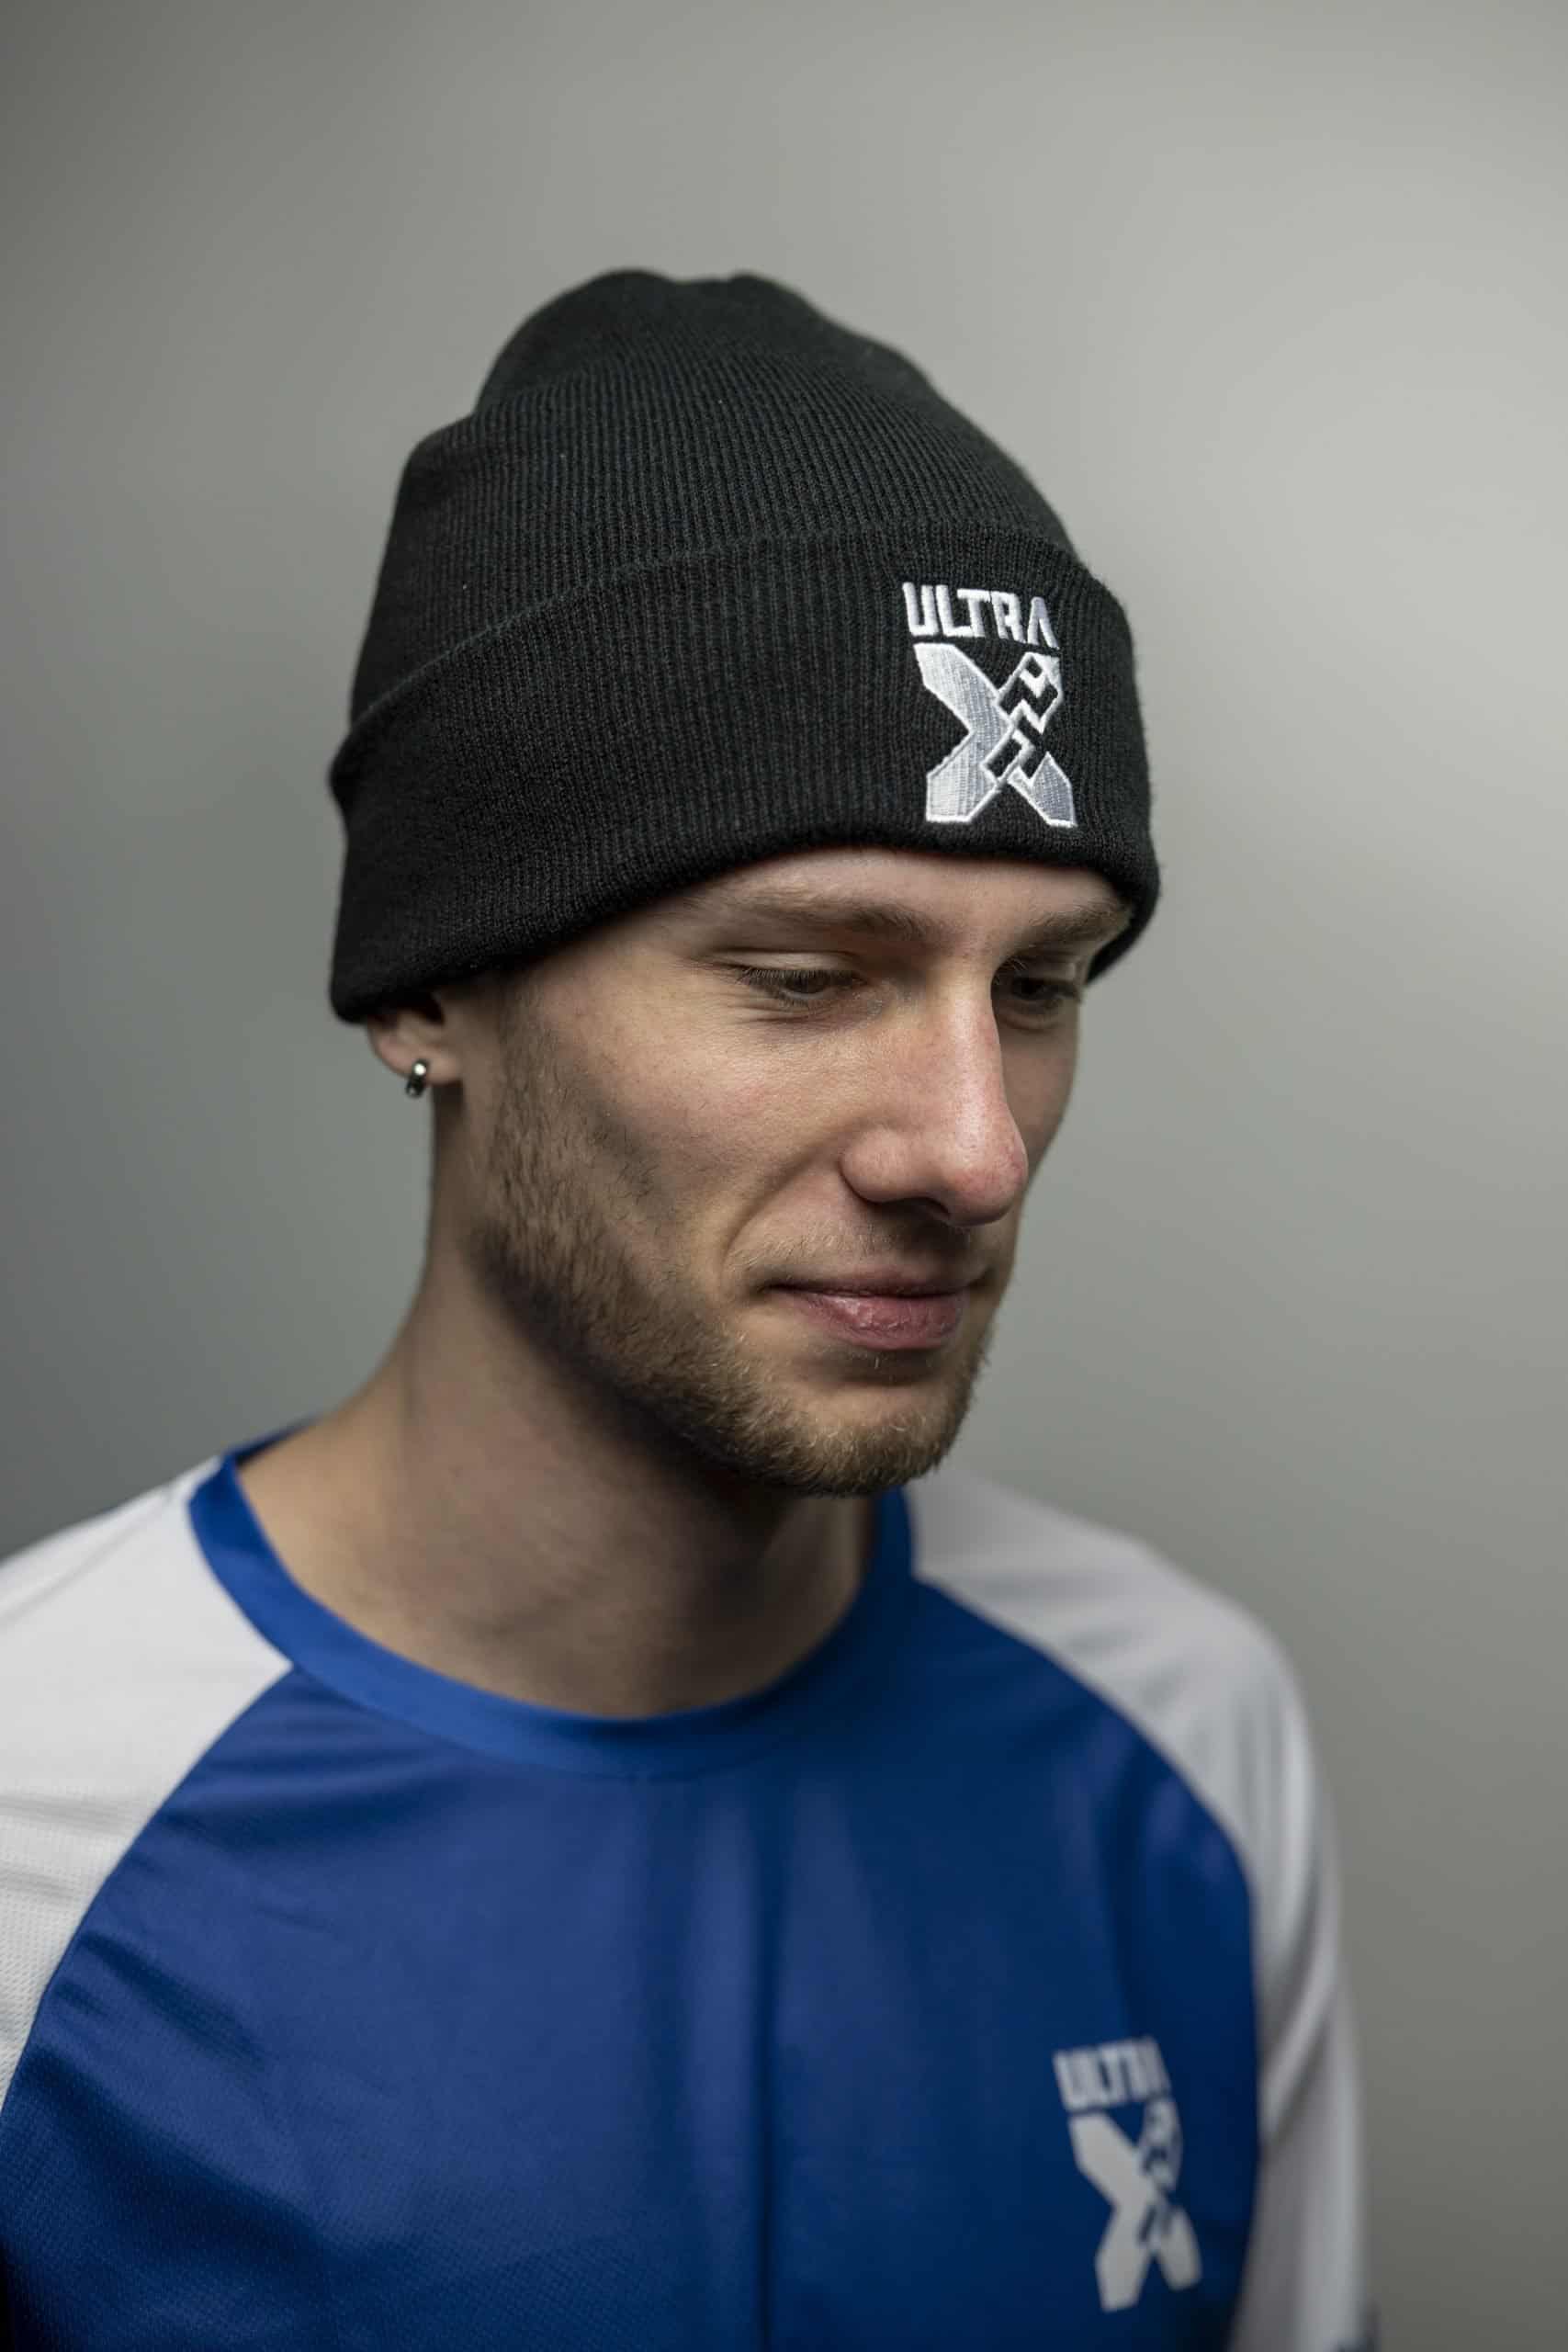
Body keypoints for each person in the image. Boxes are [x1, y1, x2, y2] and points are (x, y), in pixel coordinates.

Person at [0, 272, 1374, 2350]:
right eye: (805, 977)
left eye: (1041, 985)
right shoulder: (42, 1834)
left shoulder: (1181, 1739)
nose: (973, 1149)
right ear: (430, 986)